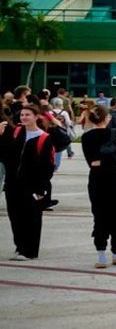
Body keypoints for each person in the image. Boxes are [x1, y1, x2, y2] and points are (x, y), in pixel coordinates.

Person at [0, 104, 55, 260]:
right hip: (12, 183)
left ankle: (29, 250)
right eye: (22, 115)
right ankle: (20, 246)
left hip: (31, 186)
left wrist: (41, 189)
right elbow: (4, 155)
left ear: (37, 117)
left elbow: (47, 166)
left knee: (31, 218)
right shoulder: (16, 133)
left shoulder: (44, 138)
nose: (24, 117)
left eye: (27, 115)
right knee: (15, 217)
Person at [81, 104, 116, 268]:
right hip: (115, 177)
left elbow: (91, 161)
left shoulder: (86, 137)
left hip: (97, 178)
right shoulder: (114, 133)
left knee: (100, 214)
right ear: (106, 118)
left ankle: (101, 254)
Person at [49, 97, 75, 171]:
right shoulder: (64, 113)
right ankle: (56, 166)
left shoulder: (50, 112)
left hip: (51, 131)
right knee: (59, 149)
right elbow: (68, 123)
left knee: (51, 148)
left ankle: (51, 162)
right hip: (61, 132)